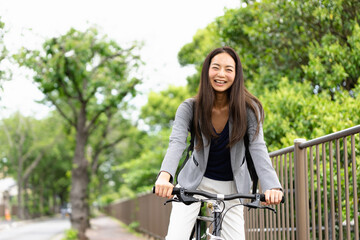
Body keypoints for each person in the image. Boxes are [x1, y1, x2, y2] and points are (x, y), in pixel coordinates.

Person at [154, 46, 283, 239]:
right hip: (194, 183)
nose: (221, 74)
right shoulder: (190, 107)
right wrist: (165, 177)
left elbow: (258, 147)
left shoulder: (249, 109)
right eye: (216, 67)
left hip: (232, 185)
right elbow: (177, 142)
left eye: (228, 69)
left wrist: (272, 186)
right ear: (207, 71)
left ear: (236, 75)